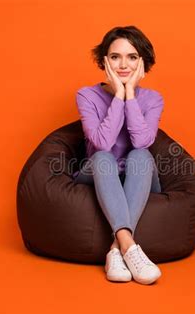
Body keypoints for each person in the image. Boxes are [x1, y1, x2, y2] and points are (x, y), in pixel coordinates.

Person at [72, 25, 164, 285]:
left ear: (142, 61)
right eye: (115, 57)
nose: (123, 64)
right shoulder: (87, 95)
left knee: (142, 156)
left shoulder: (153, 99)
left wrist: (131, 95)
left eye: (132, 57)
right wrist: (118, 96)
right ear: (104, 60)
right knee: (103, 158)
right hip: (99, 173)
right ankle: (128, 246)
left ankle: (116, 249)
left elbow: (141, 141)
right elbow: (102, 143)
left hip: (138, 175)